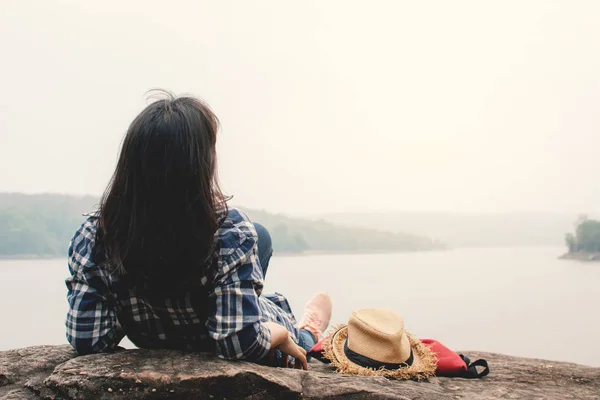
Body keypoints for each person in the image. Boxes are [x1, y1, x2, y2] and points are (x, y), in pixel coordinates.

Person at [65, 92, 332, 370]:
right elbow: (239, 342)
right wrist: (280, 334)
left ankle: (235, 299)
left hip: (153, 331)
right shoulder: (229, 230)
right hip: (217, 337)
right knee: (277, 320)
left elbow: (87, 338)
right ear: (200, 165)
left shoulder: (97, 234)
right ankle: (308, 333)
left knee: (260, 236)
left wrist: (129, 299)